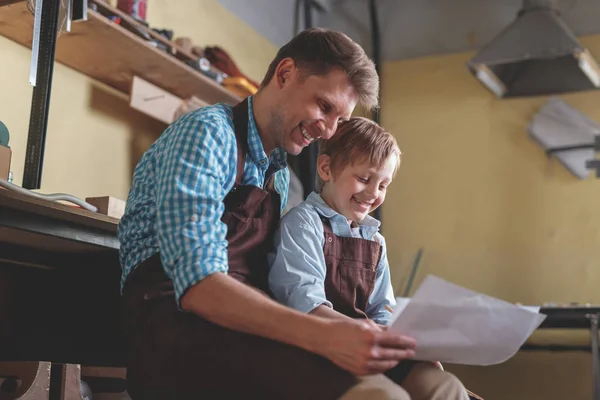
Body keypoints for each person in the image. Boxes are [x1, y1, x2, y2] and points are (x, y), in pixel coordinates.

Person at [118, 27, 419, 400]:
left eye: (339, 120)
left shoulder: (275, 171)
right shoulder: (208, 136)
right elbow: (199, 287)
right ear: (285, 73)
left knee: (431, 385)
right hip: (175, 336)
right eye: (324, 106)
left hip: (240, 330)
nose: (328, 132)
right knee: (381, 396)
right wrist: (324, 335)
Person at [267, 117, 471, 400]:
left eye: (383, 185)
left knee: (446, 387)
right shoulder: (302, 223)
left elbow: (382, 311)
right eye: (364, 178)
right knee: (387, 396)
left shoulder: (375, 240)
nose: (373, 193)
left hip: (371, 350)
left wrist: (411, 347)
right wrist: (367, 335)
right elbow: (305, 305)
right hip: (320, 349)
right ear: (326, 168)